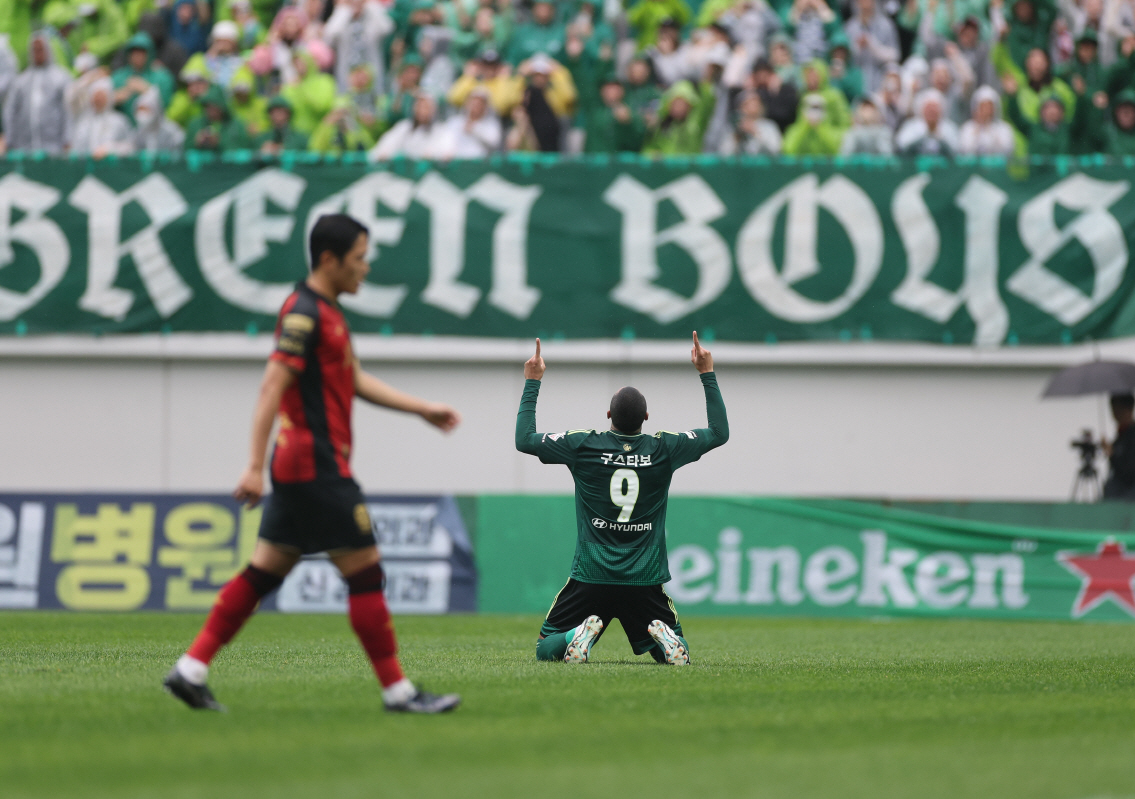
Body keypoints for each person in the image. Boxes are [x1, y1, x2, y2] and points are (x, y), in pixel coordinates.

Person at [163, 214, 463, 714]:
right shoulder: (304, 313)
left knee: (263, 572)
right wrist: (252, 465)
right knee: (366, 573)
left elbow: (354, 380)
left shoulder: (327, 311)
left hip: (300, 467)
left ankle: (190, 670)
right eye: (360, 258)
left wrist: (421, 409)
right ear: (329, 259)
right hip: (315, 466)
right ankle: (398, 692)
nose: (366, 268)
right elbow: (271, 386)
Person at [515, 332, 729, 665]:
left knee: (546, 646)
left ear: (608, 415)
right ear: (646, 419)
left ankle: (575, 636)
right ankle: (668, 641)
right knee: (672, 648)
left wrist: (532, 381)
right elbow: (719, 433)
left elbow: (525, 439)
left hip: (591, 574)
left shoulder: (583, 446)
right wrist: (707, 372)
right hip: (644, 577)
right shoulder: (664, 448)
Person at [3, 32, 71, 154]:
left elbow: (68, 112)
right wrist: (10, 140)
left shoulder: (61, 78)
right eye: (35, 50)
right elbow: (10, 111)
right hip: (24, 149)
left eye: (41, 49)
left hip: (54, 148)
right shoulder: (21, 81)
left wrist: (67, 139)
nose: (38, 54)